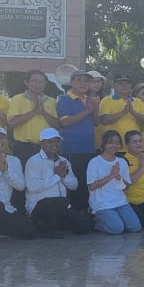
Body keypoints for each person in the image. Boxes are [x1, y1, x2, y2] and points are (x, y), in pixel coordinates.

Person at [24, 128, 90, 238]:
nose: (54, 144)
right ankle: (42, 227)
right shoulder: (33, 161)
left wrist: (63, 176)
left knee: (84, 225)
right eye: (50, 141)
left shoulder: (64, 161)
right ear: (42, 144)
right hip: (40, 206)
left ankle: (54, 226)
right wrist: (57, 176)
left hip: (62, 206)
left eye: (57, 141)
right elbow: (32, 186)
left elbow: (74, 185)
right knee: (58, 202)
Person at [57, 70, 99, 211]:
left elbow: (96, 122)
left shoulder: (89, 99)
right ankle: (72, 214)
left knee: (85, 183)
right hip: (72, 149)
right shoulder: (64, 99)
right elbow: (65, 123)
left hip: (89, 148)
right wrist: (87, 111)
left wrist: (95, 109)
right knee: (72, 184)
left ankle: (84, 213)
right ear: (71, 82)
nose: (83, 84)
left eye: (86, 81)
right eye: (79, 80)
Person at [86, 130, 142, 235]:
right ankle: (96, 222)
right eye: (111, 142)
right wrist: (111, 175)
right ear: (104, 144)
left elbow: (126, 187)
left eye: (117, 143)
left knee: (135, 227)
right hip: (102, 204)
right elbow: (91, 186)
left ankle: (114, 219)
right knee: (117, 229)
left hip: (120, 202)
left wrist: (119, 178)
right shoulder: (94, 162)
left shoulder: (122, 161)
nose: (114, 145)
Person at [7, 70, 61, 163]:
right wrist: (34, 111)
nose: (38, 84)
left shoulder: (51, 101)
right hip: (23, 148)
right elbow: (12, 122)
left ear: (45, 84)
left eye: (41, 82)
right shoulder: (17, 99)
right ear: (26, 82)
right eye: (34, 81)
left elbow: (57, 126)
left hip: (46, 147)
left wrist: (43, 112)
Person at [99, 76, 144, 151]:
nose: (124, 86)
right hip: (114, 146)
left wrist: (133, 112)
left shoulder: (137, 101)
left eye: (127, 83)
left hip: (133, 147)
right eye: (120, 83)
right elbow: (104, 120)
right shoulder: (106, 100)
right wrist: (123, 112)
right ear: (114, 85)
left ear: (131, 86)